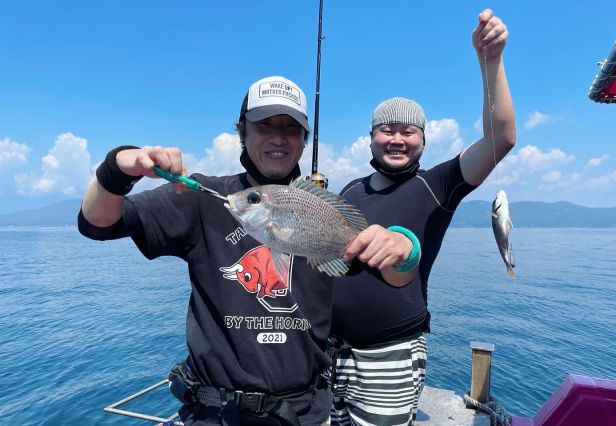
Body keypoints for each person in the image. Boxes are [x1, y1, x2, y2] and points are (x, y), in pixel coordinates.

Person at [78, 75, 416, 425]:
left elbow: (396, 277)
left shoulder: (327, 213)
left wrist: (407, 248)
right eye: (263, 125)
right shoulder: (199, 198)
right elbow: (97, 224)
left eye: (291, 127)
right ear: (242, 131)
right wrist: (118, 168)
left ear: (304, 140)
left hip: (304, 414)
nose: (278, 137)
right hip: (214, 414)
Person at [329, 9, 516, 426]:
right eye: (387, 129)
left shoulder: (439, 183)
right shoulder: (349, 191)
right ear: (372, 137)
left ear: (423, 140)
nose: (397, 139)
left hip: (390, 355)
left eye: (408, 131)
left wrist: (491, 61)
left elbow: (501, 138)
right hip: (329, 351)